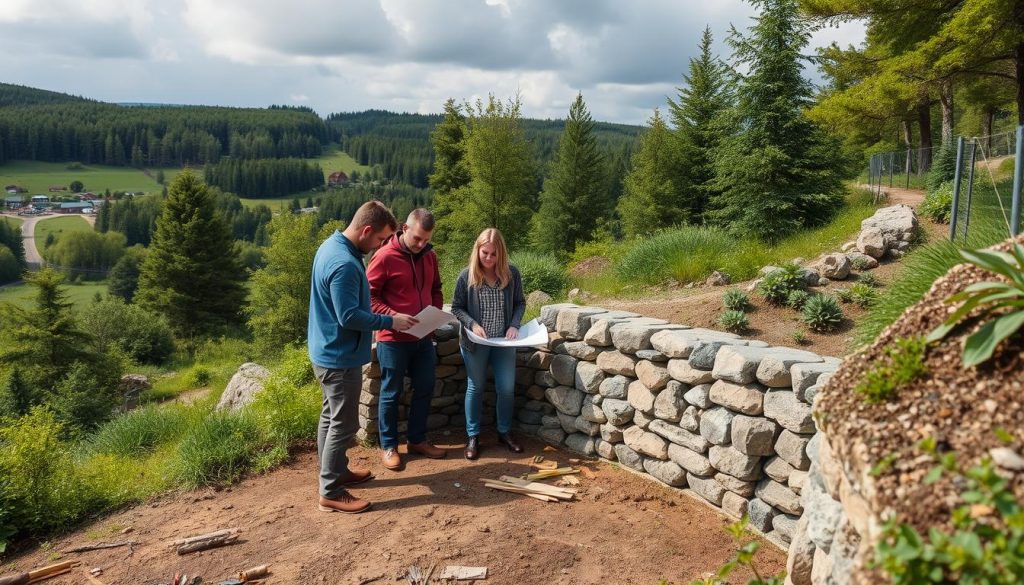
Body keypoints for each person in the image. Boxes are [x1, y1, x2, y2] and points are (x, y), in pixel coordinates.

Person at [308, 200, 418, 514]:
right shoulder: (344, 263)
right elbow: (349, 316)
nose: (382, 245)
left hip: (326, 350)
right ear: (366, 230)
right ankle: (330, 490)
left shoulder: (331, 246)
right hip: (338, 356)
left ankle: (335, 471)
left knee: (330, 417)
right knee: (343, 424)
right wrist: (390, 321)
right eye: (381, 239)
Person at [366, 208, 447, 471]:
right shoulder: (383, 257)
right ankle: (389, 446)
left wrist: (433, 317)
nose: (422, 244)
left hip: (423, 336)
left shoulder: (429, 256)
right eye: (418, 239)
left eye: (426, 239)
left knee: (425, 386)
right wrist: (392, 316)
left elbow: (436, 289)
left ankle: (417, 440)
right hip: (392, 337)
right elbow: (369, 298)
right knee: (391, 392)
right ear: (404, 228)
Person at [451, 228, 527, 460]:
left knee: (506, 388)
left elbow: (520, 303)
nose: (489, 259)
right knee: (476, 387)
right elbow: (456, 307)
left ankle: (504, 432)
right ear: (478, 250)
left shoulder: (511, 274)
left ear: (501, 254)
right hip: (476, 342)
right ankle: (473, 436)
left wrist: (514, 324)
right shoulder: (466, 276)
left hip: (504, 342)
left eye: (494, 254)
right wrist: (472, 324)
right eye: (485, 253)